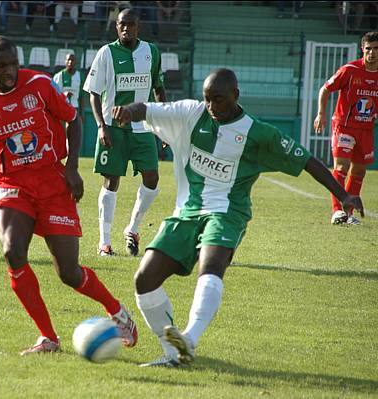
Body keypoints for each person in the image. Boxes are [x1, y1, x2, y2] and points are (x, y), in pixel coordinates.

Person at [111, 68, 364, 368]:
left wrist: (343, 194)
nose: (212, 107)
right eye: (207, 99)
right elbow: (149, 109)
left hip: (228, 212)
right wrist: (128, 111)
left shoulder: (258, 133)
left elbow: (306, 160)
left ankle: (189, 338)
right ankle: (174, 353)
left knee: (212, 264)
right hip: (187, 212)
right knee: (144, 279)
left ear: (236, 96)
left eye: (218, 99)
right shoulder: (192, 113)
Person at [0, 35, 138, 355]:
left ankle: (117, 311)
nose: (9, 72)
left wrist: (71, 168)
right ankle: (48, 338)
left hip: (52, 180)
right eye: (0, 66)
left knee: (69, 274)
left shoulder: (40, 84)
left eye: (13, 64)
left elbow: (75, 120)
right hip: (12, 183)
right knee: (12, 252)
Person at [83, 7, 166, 257]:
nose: (126, 28)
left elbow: (158, 90)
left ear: (138, 26)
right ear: (116, 27)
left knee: (152, 178)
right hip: (113, 129)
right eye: (121, 24)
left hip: (143, 128)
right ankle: (104, 242)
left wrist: (163, 126)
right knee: (111, 181)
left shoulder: (151, 52)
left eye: (130, 24)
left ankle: (133, 228)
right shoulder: (106, 53)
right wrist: (101, 126)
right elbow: (94, 94)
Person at [313, 31, 378, 226]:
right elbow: (325, 89)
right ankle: (337, 211)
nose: (372, 53)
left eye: (376, 49)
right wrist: (321, 114)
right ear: (362, 49)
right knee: (341, 166)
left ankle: (348, 214)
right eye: (368, 49)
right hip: (344, 126)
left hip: (366, 130)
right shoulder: (349, 70)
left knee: (359, 172)